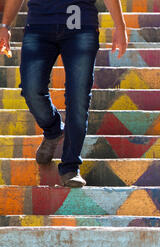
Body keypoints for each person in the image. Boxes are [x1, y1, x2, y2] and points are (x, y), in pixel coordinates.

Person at [0, 0, 128, 187]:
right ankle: (53, 129)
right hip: (39, 25)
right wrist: (5, 25)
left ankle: (70, 166)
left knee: (78, 98)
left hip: (81, 26)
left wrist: (120, 26)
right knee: (31, 89)